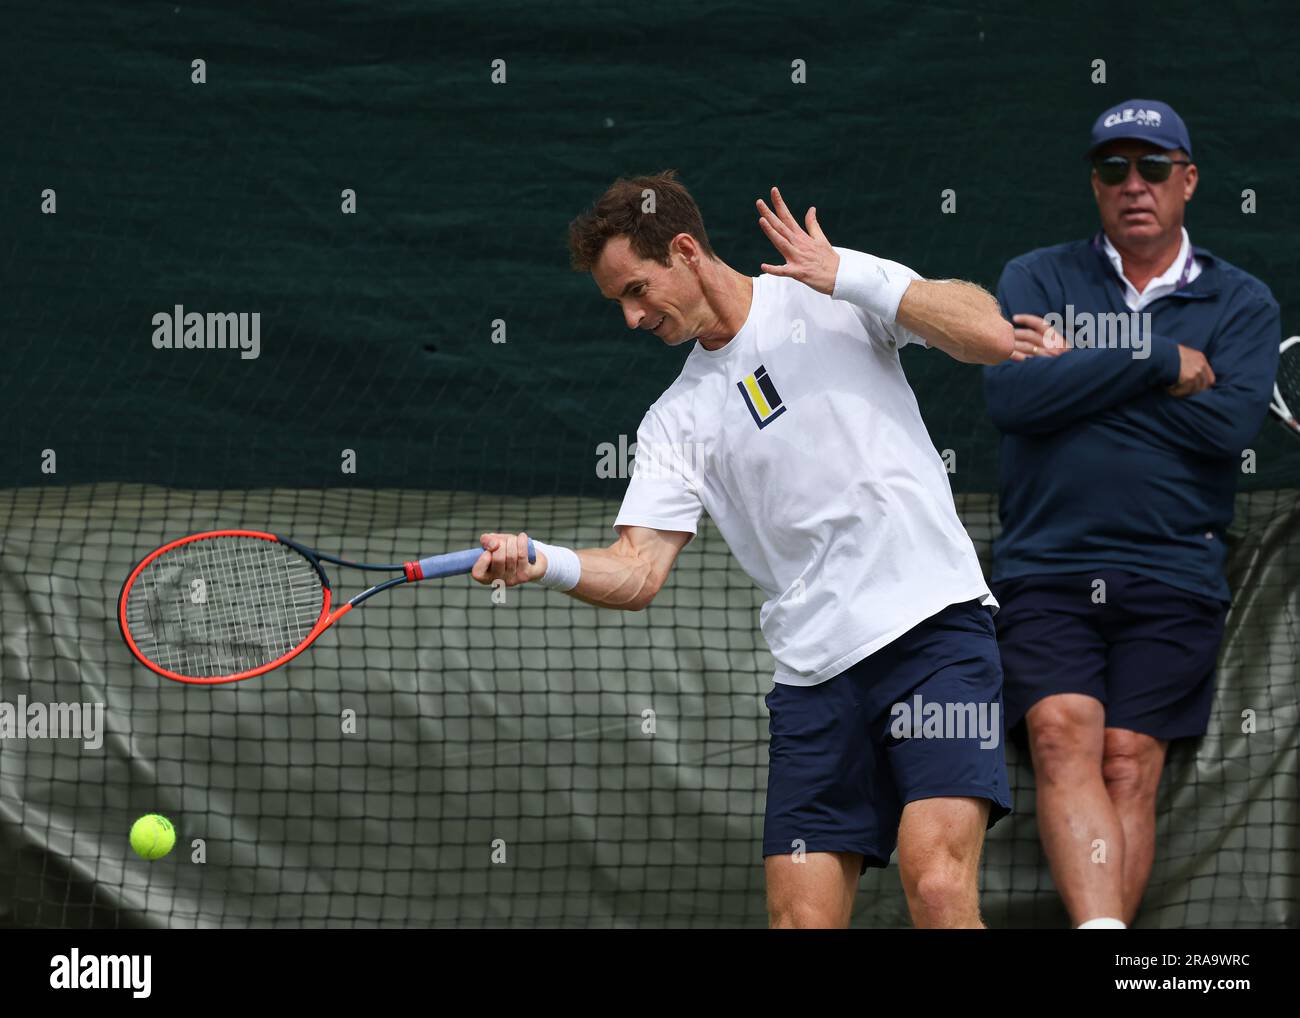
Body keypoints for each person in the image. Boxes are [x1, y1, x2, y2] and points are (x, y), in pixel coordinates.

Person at [473, 170, 1013, 928]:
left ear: (686, 250)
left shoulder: (830, 293)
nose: (630, 318)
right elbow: (637, 570)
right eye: (617, 304)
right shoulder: (674, 421)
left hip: (935, 636)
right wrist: (543, 560)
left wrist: (851, 276)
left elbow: (991, 333)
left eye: (636, 290)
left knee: (937, 884)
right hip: (815, 684)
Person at [983, 100, 1281, 929]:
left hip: (1176, 571)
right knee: (1059, 733)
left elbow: (1226, 427)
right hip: (1046, 566)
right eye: (1114, 169)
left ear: (1187, 180)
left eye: (1154, 168)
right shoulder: (1035, 277)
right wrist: (1154, 357)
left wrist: (1078, 373)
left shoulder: (1243, 302)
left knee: (1126, 759)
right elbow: (1012, 397)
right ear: (1095, 184)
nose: (1134, 185)